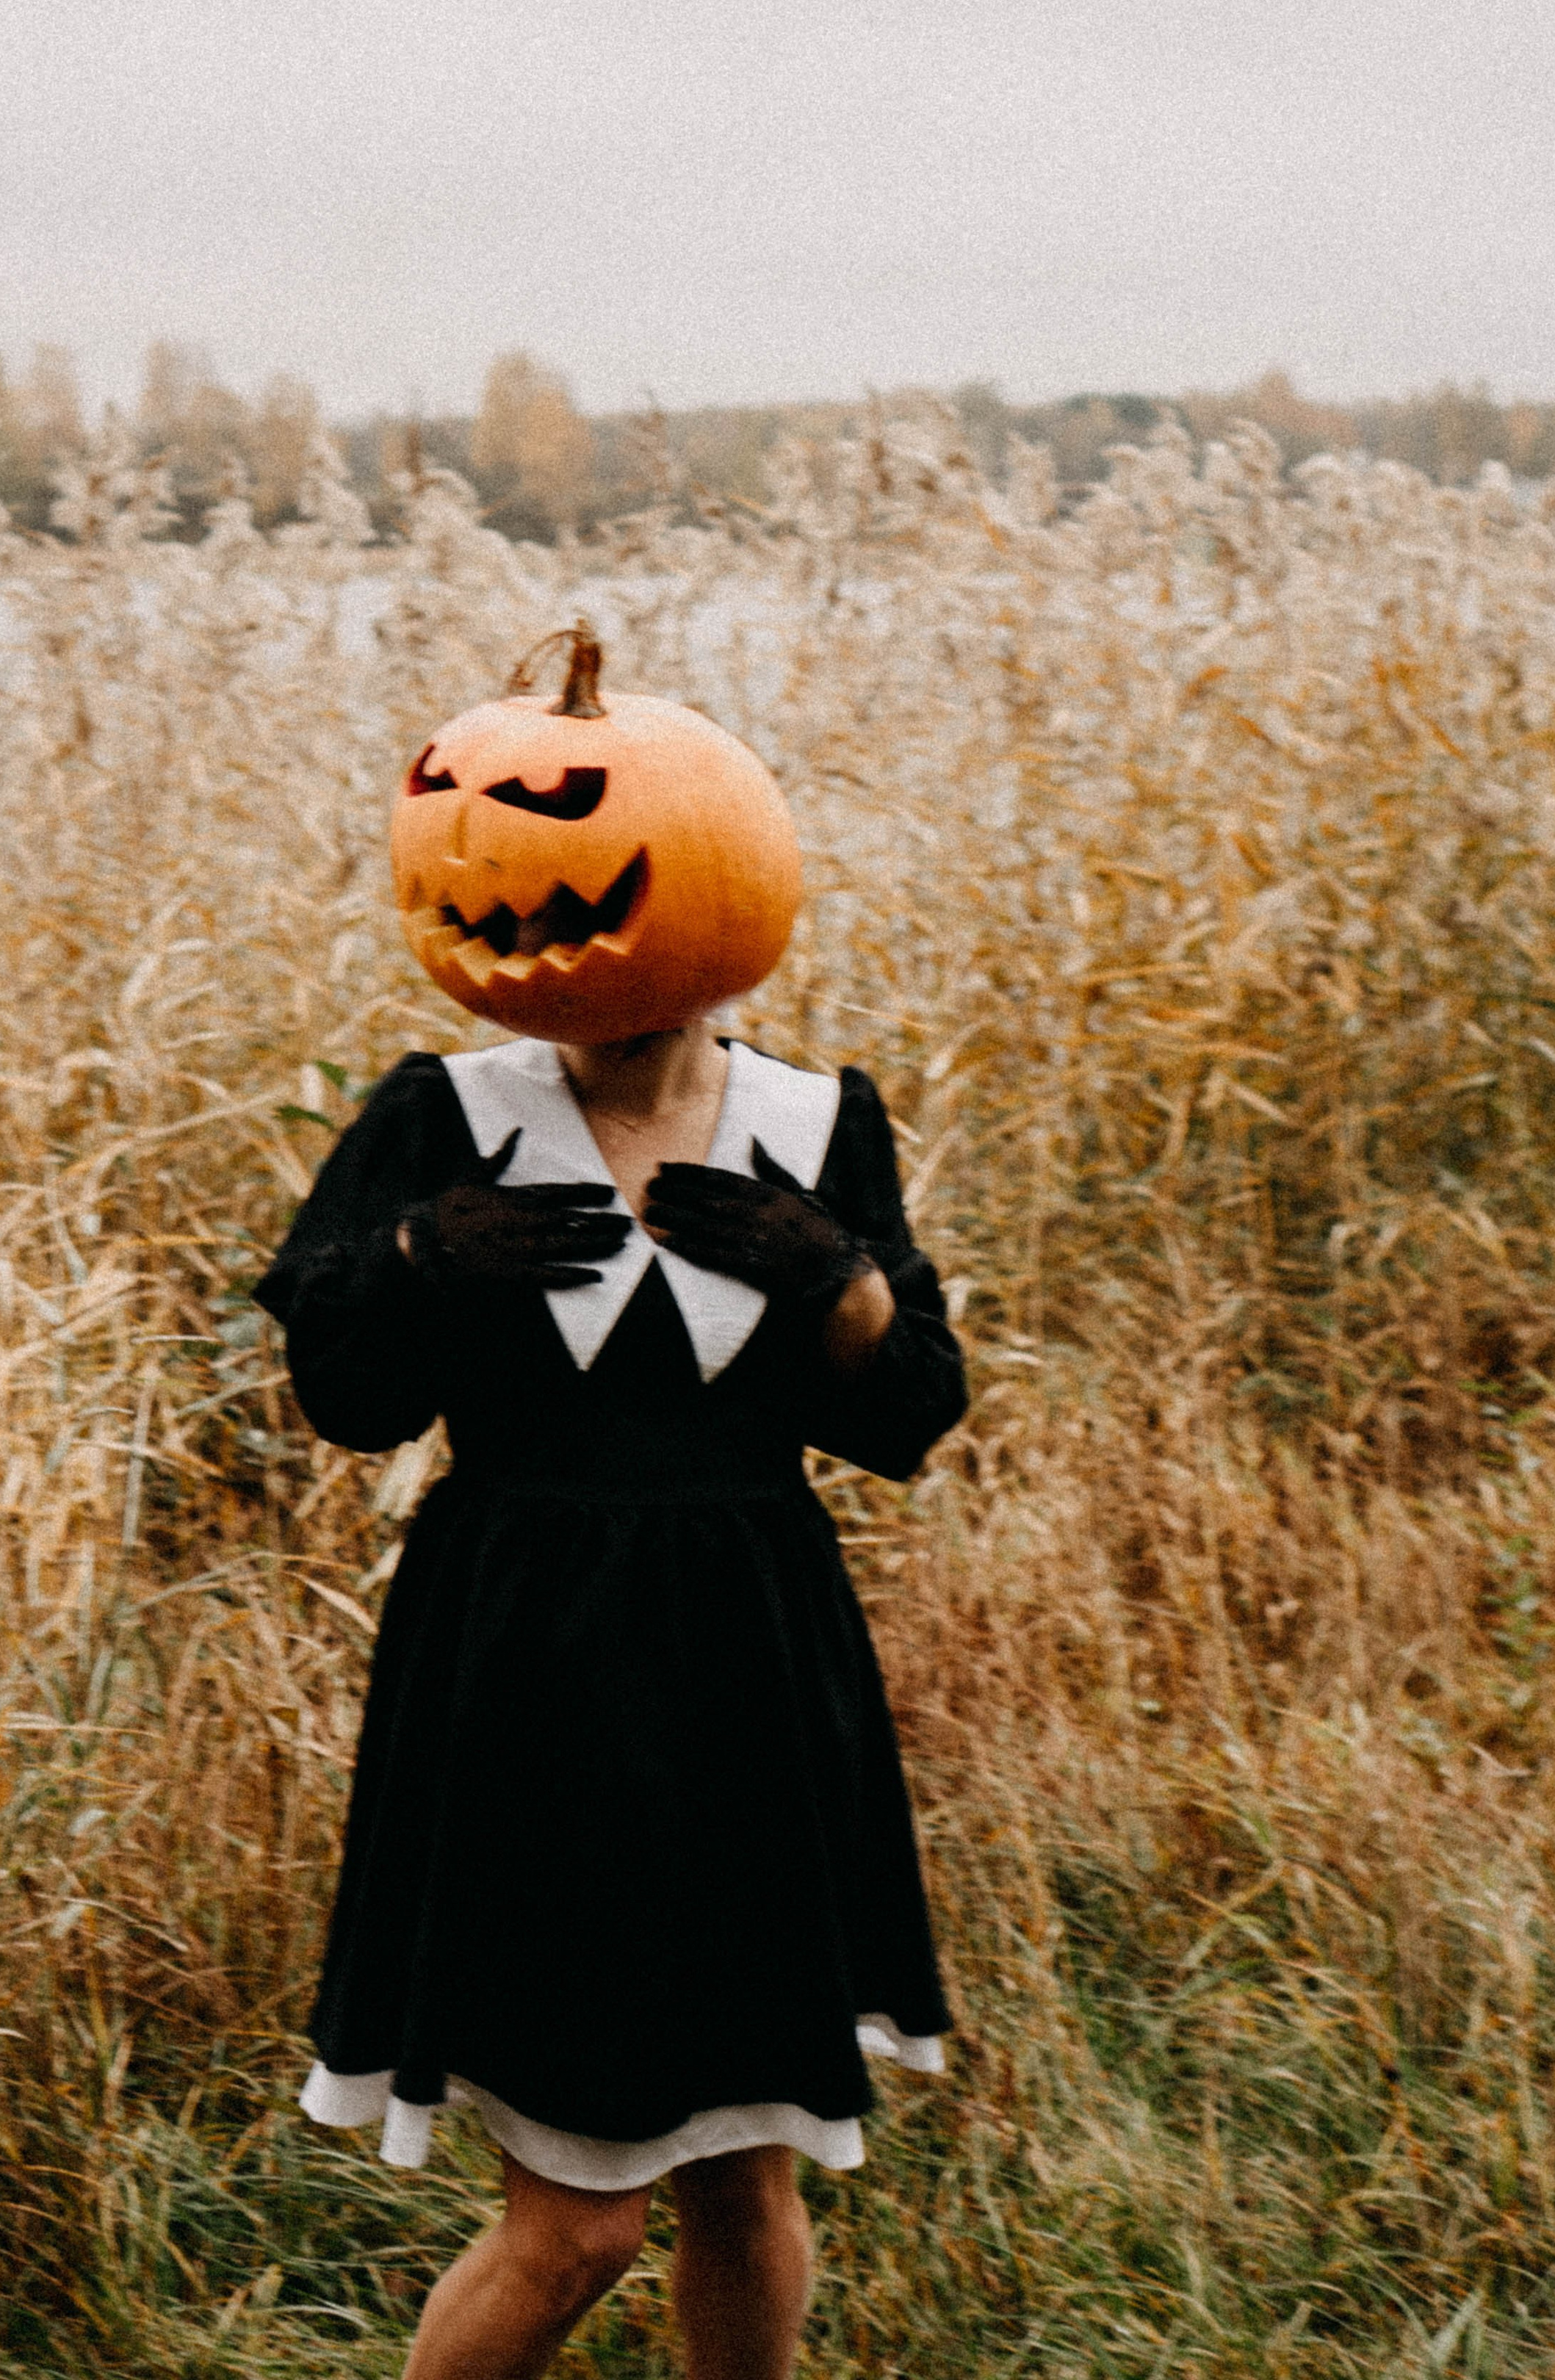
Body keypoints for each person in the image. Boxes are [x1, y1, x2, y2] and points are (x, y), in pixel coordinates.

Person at [255, 1005, 967, 2380]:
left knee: (751, 2184)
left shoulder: (817, 1123)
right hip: (527, 1678)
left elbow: (908, 1418)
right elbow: (347, 1400)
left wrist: (844, 1282)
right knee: (578, 2230)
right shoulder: (443, 1116)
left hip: (750, 1667)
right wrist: (414, 1258)